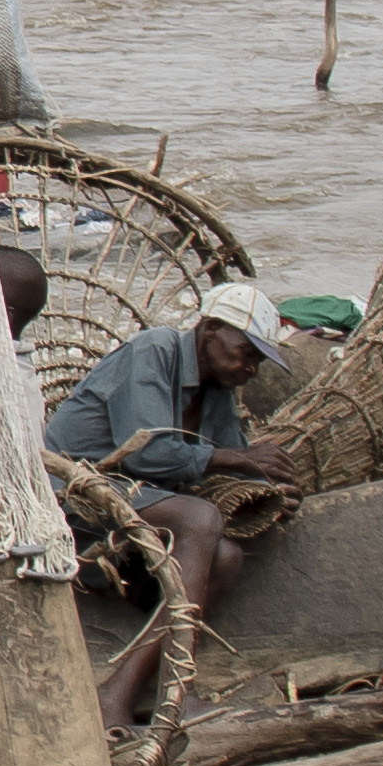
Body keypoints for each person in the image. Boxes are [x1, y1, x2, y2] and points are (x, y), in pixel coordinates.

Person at [43, 279, 291, 732]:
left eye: (258, 360)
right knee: (199, 518)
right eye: (247, 352)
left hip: (131, 514)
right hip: (75, 500)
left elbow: (233, 460)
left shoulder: (216, 391)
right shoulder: (156, 350)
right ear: (211, 328)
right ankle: (180, 690)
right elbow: (142, 452)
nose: (251, 368)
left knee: (228, 557)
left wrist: (270, 491)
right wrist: (237, 458)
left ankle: (118, 690)